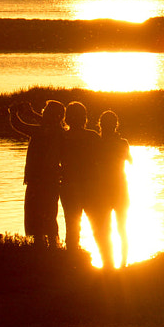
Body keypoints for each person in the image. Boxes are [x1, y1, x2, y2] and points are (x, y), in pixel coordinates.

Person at [7, 99, 65, 249]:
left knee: (34, 217)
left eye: (45, 110)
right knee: (50, 216)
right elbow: (51, 123)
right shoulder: (59, 132)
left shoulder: (41, 131)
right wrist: (32, 114)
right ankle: (53, 246)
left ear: (51, 114)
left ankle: (38, 247)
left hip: (37, 181)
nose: (43, 112)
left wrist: (13, 113)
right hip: (52, 182)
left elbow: (18, 125)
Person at [90, 109, 133, 269]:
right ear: (116, 125)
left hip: (103, 191)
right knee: (121, 228)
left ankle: (109, 264)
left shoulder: (96, 143)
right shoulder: (122, 143)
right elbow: (130, 161)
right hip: (120, 189)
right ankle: (122, 264)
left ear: (100, 125)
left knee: (105, 229)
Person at [59, 100, 102, 257]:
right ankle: (108, 266)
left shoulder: (62, 137)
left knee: (72, 227)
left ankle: (72, 261)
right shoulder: (92, 136)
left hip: (69, 187)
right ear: (84, 118)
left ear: (67, 118)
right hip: (91, 187)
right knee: (99, 226)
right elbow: (103, 163)